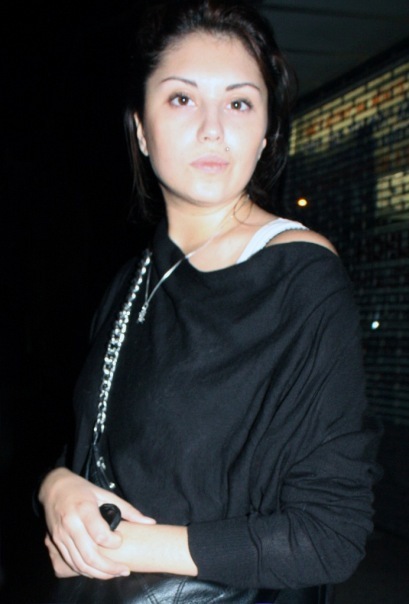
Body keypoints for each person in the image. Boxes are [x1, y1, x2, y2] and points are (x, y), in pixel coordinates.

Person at [38, 0, 379, 602]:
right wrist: (55, 487)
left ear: (266, 131)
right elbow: (98, 447)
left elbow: (330, 535)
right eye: (182, 98)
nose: (213, 128)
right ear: (141, 128)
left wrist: (123, 546)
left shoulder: (298, 277)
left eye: (239, 103)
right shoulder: (131, 280)